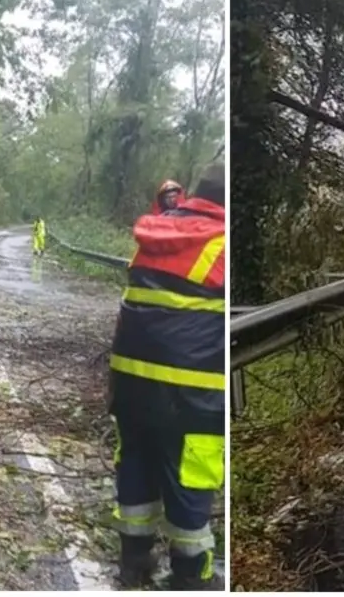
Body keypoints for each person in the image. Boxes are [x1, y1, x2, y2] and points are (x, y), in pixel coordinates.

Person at [109, 162, 225, 590]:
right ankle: (191, 576)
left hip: (130, 382)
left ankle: (134, 563)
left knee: (136, 463)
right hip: (192, 394)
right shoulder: (222, 245)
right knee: (190, 481)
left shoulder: (152, 235)